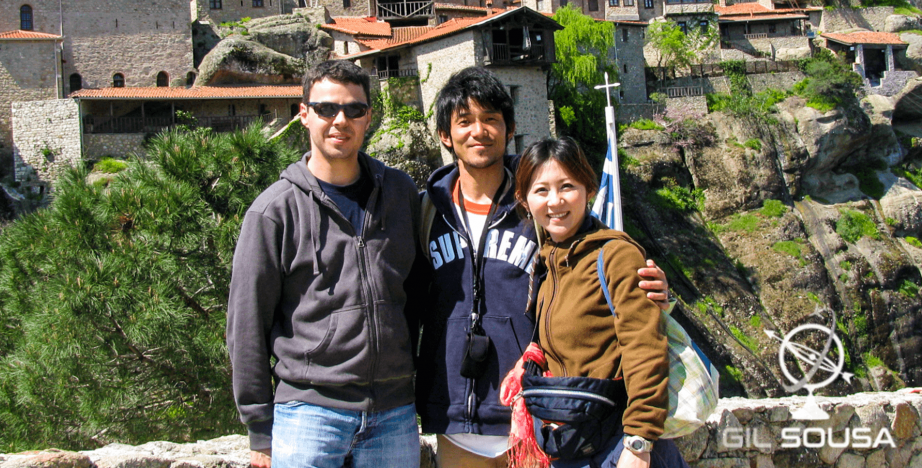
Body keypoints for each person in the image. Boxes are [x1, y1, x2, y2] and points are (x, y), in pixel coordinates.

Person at [415, 67, 671, 468]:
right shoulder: (428, 209)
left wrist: (654, 290)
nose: (478, 131)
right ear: (446, 136)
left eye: (491, 120)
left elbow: (599, 257)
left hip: (538, 417)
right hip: (454, 417)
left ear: (510, 127)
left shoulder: (537, 203)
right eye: (464, 122)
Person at [226, 60, 424, 468]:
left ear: (368, 116)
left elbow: (420, 297)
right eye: (326, 109)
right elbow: (246, 325)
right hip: (308, 415)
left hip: (394, 414)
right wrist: (260, 429)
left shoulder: (401, 194)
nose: (340, 120)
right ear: (304, 115)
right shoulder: (274, 211)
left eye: (353, 109)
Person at [511, 136, 688, 468]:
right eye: (541, 190)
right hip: (575, 442)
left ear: (588, 189)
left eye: (567, 186)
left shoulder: (616, 255)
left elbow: (645, 348)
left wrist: (639, 443)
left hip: (620, 444)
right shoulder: (548, 263)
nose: (555, 201)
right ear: (524, 200)